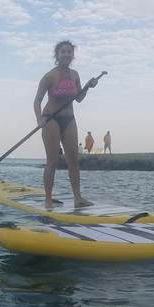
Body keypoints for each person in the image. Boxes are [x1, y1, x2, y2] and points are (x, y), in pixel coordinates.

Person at [34, 41, 100, 211]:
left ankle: (78, 198)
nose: (66, 54)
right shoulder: (50, 76)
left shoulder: (75, 74)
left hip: (69, 118)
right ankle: (48, 199)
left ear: (73, 55)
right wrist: (39, 118)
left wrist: (87, 87)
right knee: (52, 161)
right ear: (57, 55)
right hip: (51, 119)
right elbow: (37, 100)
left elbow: (78, 98)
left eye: (69, 52)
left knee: (73, 160)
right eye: (63, 52)